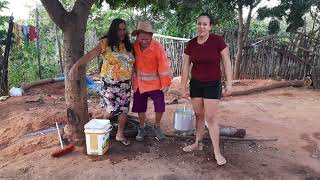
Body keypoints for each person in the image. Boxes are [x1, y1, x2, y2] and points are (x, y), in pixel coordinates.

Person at [69, 18, 135, 146]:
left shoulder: (128, 45)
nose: (122, 32)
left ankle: (119, 135)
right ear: (113, 30)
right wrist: (76, 65)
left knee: (124, 110)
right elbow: (91, 54)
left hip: (125, 83)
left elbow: (133, 64)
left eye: (123, 29)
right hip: (110, 83)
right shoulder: (105, 43)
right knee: (111, 109)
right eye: (119, 30)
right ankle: (102, 129)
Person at [180, 13, 233, 166]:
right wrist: (183, 87)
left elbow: (227, 62)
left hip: (212, 84)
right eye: (199, 23)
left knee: (211, 118)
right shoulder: (191, 44)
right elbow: (185, 67)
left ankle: (217, 151)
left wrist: (229, 84)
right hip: (196, 84)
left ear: (210, 26)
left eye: (205, 24)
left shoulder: (218, 41)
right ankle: (197, 142)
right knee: (198, 116)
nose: (201, 26)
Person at [131, 21, 171, 142]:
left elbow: (163, 65)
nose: (144, 41)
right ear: (137, 37)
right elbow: (131, 64)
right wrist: (133, 81)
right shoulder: (134, 47)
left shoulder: (157, 47)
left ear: (151, 37)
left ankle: (157, 127)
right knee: (140, 107)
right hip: (140, 84)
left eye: (147, 39)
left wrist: (165, 83)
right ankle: (142, 127)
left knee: (160, 106)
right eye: (142, 38)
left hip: (156, 84)